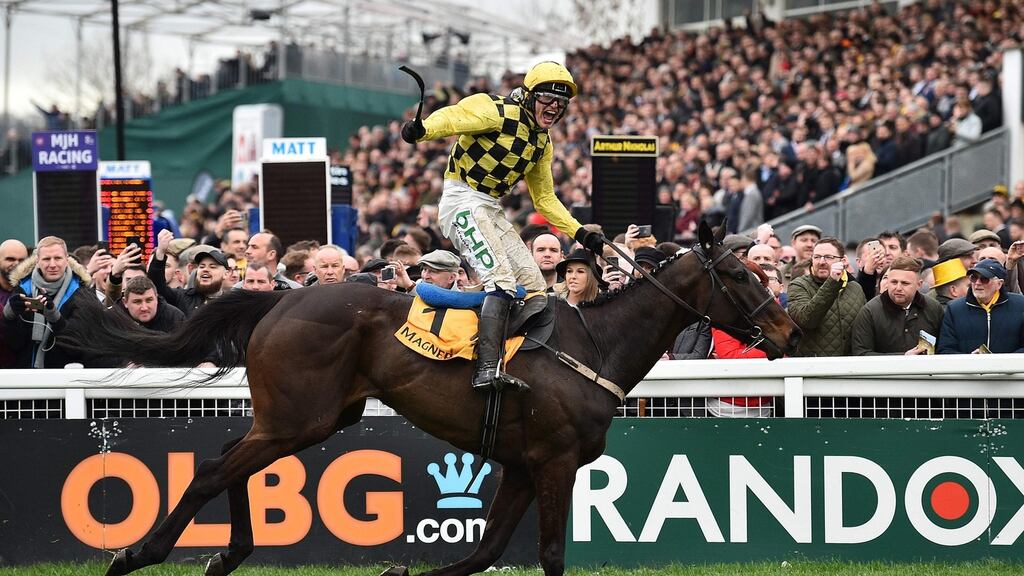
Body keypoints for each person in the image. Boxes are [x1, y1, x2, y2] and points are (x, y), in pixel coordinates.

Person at [401, 61, 604, 392]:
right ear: (527, 95)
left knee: (537, 289)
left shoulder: (543, 143)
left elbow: (545, 200)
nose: (554, 108)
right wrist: (423, 130)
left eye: (561, 104)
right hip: (462, 201)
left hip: (490, 208)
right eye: (548, 100)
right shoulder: (495, 109)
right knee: (501, 283)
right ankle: (484, 368)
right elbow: (453, 117)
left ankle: (500, 349)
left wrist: (580, 232)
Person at [1, 236, 105, 368]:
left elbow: (80, 344)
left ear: (67, 259)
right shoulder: (22, 288)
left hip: (65, 378)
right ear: (37, 261)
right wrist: (8, 316)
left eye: (58, 258)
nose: (52, 265)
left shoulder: (82, 292)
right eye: (46, 259)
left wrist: (55, 319)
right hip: (26, 376)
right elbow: (14, 343)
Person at [787, 236, 866, 357]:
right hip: (812, 367)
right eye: (817, 257)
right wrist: (832, 282)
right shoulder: (798, 285)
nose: (822, 262)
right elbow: (806, 320)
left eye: (829, 257)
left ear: (843, 260)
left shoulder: (855, 287)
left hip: (849, 368)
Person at [851, 257, 944, 355]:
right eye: (894, 282)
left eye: (905, 283)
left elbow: (943, 349)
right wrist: (903, 358)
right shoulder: (870, 311)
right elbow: (860, 353)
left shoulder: (933, 308)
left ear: (919, 284)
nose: (898, 288)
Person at [937, 260, 1024, 354]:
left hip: (1011, 368)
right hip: (969, 368)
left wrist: (1001, 362)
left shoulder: (1020, 305)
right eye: (974, 278)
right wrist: (970, 360)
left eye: (984, 279)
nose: (977, 283)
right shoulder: (954, 309)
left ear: (999, 284)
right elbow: (945, 349)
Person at [149, 230, 227, 318]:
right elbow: (157, 286)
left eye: (212, 267)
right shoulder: (182, 297)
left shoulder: (232, 303)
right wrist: (160, 252)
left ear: (225, 274)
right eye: (201, 266)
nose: (205, 269)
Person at [0, 239, 29, 368]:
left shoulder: (34, 290)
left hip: (24, 369)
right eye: (10, 259)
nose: (17, 264)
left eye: (22, 260)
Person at [118, 276, 184, 332]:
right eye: (137, 302)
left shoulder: (174, 317)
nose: (144, 308)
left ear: (156, 298)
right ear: (125, 302)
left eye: (149, 300)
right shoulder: (116, 319)